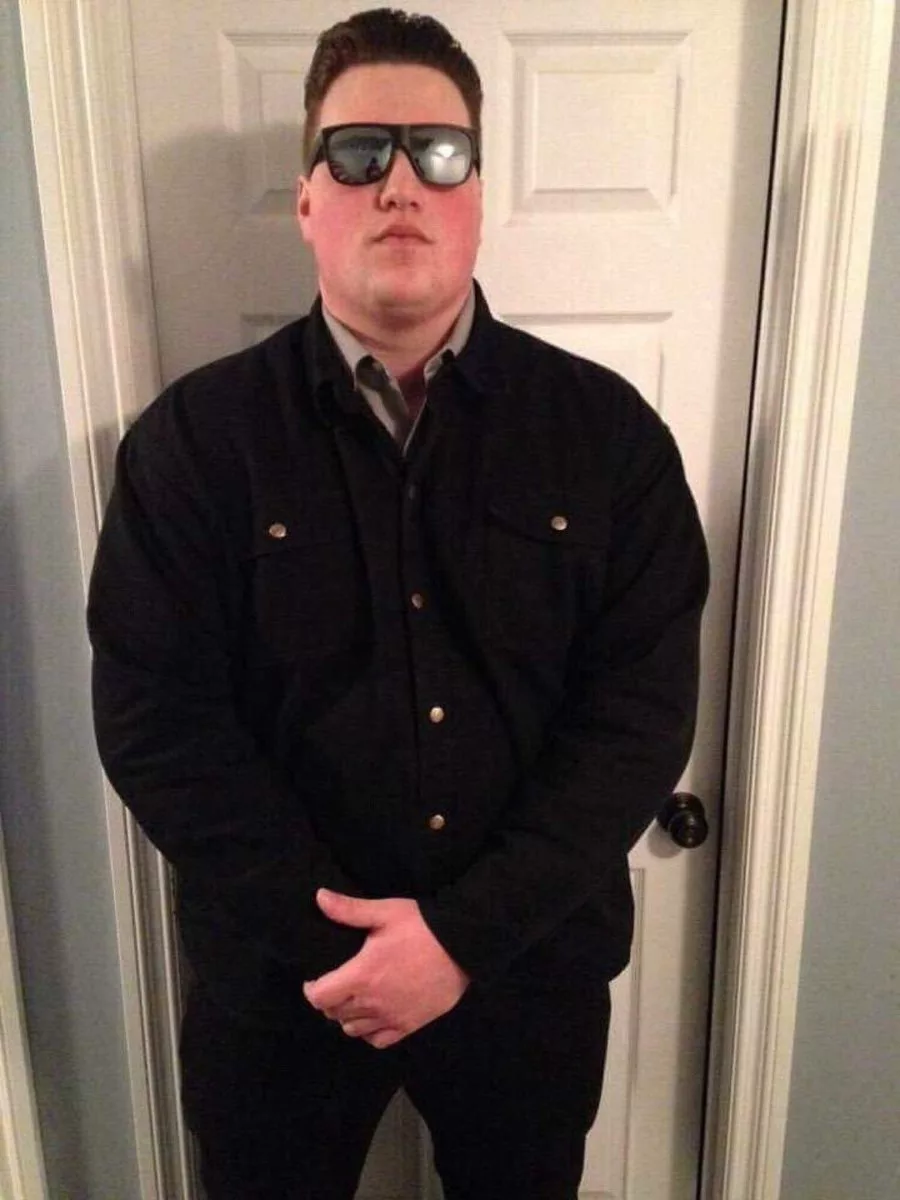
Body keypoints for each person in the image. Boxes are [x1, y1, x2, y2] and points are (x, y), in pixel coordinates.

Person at [88, 8, 709, 1199]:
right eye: (358, 151)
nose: (400, 184)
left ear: (479, 193)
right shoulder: (194, 444)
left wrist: (461, 939)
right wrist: (351, 953)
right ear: (306, 198)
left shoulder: (608, 437)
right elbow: (157, 724)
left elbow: (638, 717)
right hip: (284, 991)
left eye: (439, 151)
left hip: (527, 976)